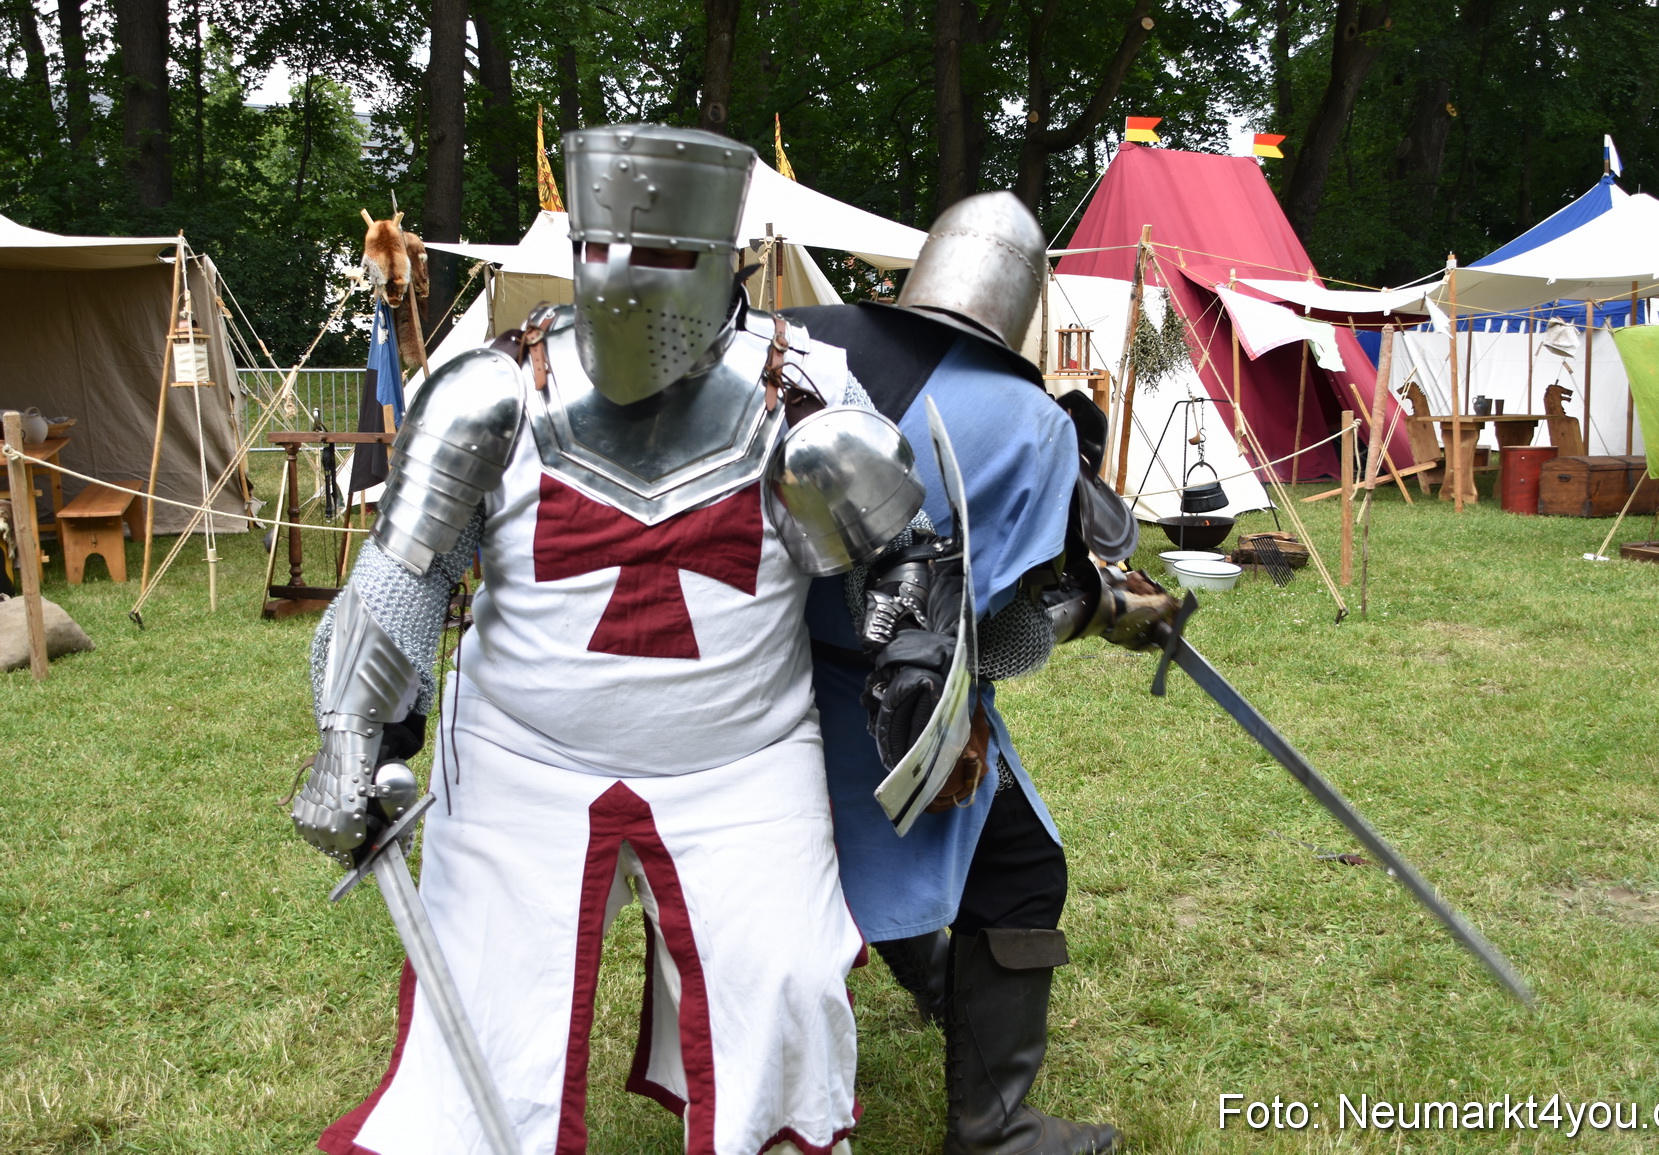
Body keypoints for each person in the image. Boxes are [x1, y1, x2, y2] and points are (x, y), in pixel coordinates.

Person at [291, 124, 925, 1155]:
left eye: (663, 255)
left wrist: (908, 642)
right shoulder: (491, 389)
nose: (625, 280)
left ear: (727, 260)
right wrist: (350, 740)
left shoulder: (804, 392)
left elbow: (907, 559)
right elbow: (400, 575)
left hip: (744, 761)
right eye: (598, 249)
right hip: (518, 758)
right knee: (489, 1000)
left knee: (785, 981)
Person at [792, 192, 1173, 1155]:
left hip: (753, 690)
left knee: (857, 858)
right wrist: (1111, 611)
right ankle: (995, 1128)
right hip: (900, 706)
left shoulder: (798, 343)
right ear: (1023, 300)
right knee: (1018, 868)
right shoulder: (1030, 421)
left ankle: (937, 989)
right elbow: (997, 634)